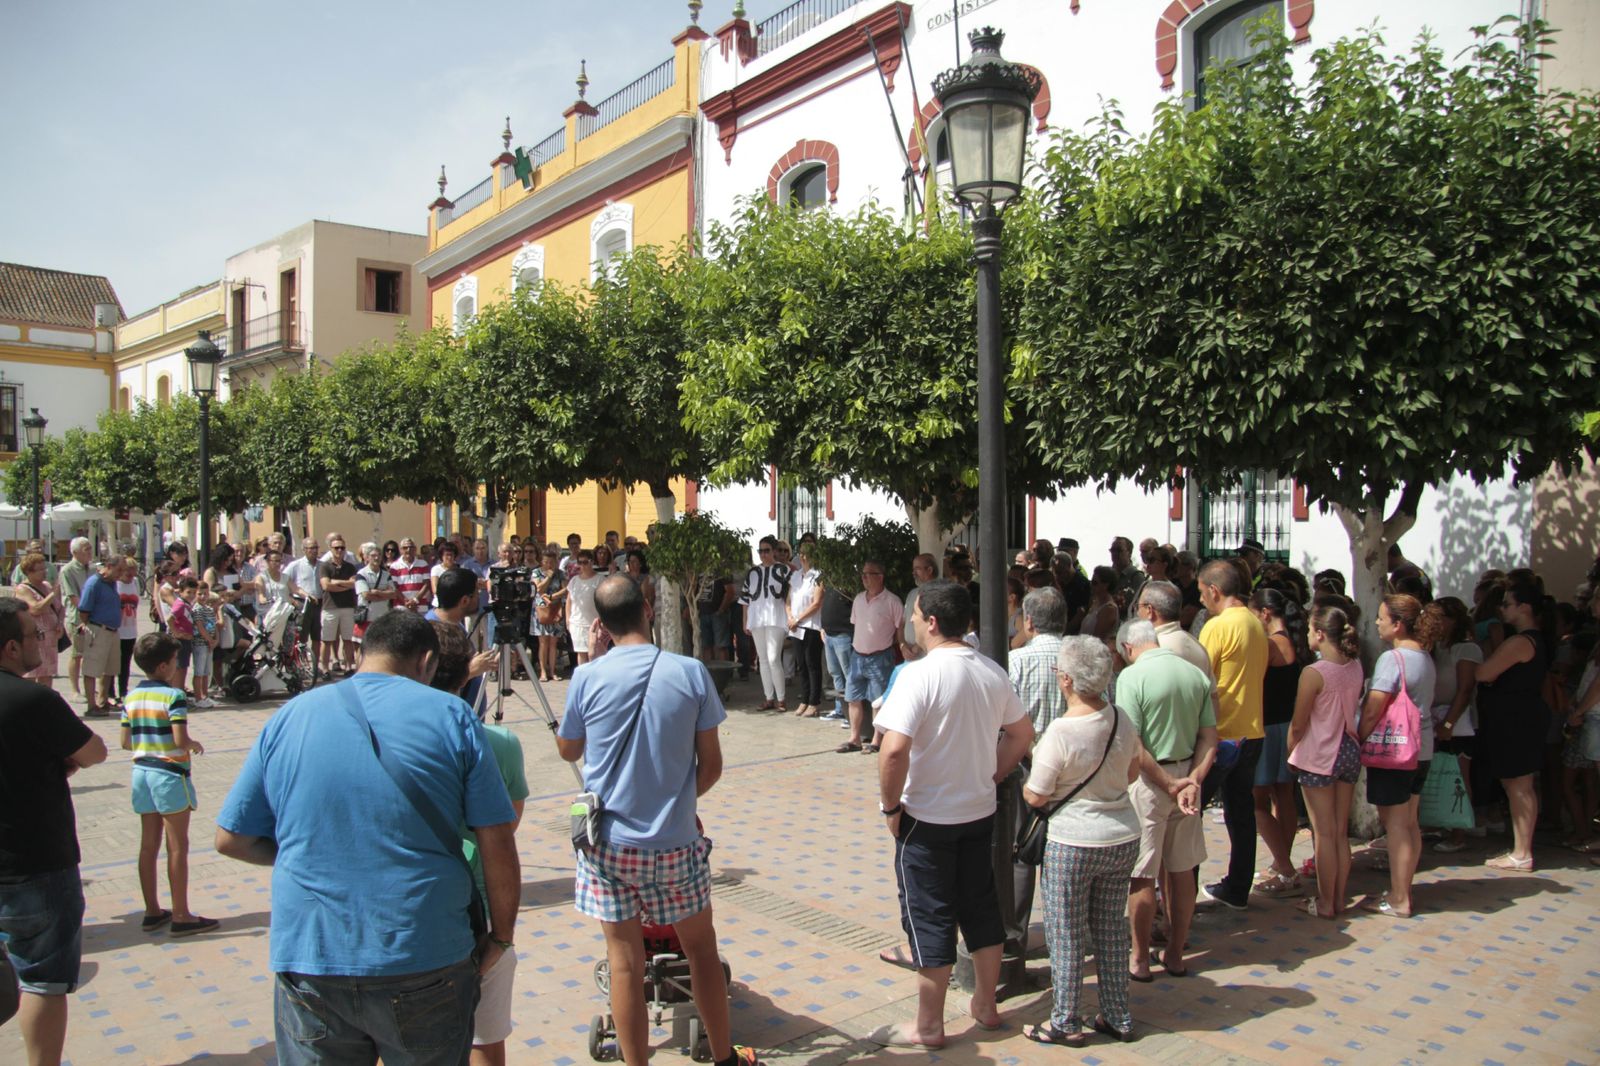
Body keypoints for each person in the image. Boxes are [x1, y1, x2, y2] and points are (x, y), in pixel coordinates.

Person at [215, 610, 520, 1066]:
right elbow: (497, 839)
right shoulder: (452, 715)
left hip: (311, 953)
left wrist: (314, 851)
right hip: (422, 947)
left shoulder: (291, 714)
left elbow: (231, 839)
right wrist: (501, 937)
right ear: (427, 661)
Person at [556, 577, 759, 1066]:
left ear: (601, 625)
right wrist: (679, 801)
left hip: (609, 845)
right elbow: (711, 765)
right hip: (675, 841)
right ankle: (725, 1059)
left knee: (624, 963)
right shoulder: (690, 672)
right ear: (648, 609)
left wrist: (592, 657)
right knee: (701, 951)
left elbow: (568, 749)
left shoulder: (587, 676)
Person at [871, 581, 1033, 1050]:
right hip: (977, 812)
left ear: (933, 621)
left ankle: (929, 1024)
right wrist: (992, 773)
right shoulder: (990, 670)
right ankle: (986, 1004)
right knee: (981, 907)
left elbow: (893, 750)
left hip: (926, 818)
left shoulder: (918, 675)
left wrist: (890, 806)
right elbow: (1022, 733)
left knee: (930, 915)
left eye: (915, 616)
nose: (912, 623)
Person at [0, 597, 108, 1066]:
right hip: (35, 863)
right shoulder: (34, 700)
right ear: (10, 647)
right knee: (42, 980)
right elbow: (94, 752)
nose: (43, 642)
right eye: (35, 635)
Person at [1021, 636, 1143, 1048]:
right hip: (1121, 835)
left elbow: (1036, 795)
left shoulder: (1062, 730)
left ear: (1067, 680)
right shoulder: (1121, 718)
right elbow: (1132, 772)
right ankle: (1118, 1016)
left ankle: (1065, 1020)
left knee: (1066, 932)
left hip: (1072, 841)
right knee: (1110, 929)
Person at [428, 621, 527, 1066]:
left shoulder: (377, 741)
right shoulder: (500, 744)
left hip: (412, 911)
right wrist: (501, 937)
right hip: (481, 911)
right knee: (485, 1037)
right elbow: (507, 829)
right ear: (466, 673)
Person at [1113, 619, 1214, 982]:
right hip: (1186, 778)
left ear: (1128, 648)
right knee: (1182, 870)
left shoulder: (1131, 678)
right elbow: (1209, 737)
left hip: (1150, 781)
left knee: (1142, 873)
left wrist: (1171, 783)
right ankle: (1175, 953)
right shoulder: (1194, 674)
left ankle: (1139, 958)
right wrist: (1192, 780)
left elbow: (1134, 744)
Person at [120, 631, 219, 938]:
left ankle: (152, 910)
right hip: (169, 774)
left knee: (148, 845)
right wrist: (192, 744)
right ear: (163, 666)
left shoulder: (131, 697)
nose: (178, 665)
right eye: (175, 660)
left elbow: (125, 741)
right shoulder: (173, 696)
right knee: (177, 846)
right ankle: (181, 914)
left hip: (141, 772)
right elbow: (179, 739)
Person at [1358, 594, 1443, 917]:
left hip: (1395, 750)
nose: (1377, 622)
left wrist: (1359, 737)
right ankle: (1402, 889)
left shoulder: (1393, 659)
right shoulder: (1425, 657)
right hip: (1422, 748)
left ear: (1397, 624)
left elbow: (1374, 707)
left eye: (1382, 617)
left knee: (1395, 825)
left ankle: (1399, 897)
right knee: (1409, 822)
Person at [1196, 559, 1269, 911]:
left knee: (1189, 814)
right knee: (1241, 814)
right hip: (1252, 731)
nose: (1200, 600)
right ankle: (1238, 887)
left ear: (1214, 590)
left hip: (1221, 734)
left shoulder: (1218, 626)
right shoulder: (1255, 622)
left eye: (1201, 592)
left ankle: (1181, 895)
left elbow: (1199, 680)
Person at [1287, 604, 1364, 919]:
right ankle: (1339, 899)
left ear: (1320, 634)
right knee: (1340, 831)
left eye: (1309, 629)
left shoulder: (1314, 673)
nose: (1307, 634)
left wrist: (1291, 751)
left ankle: (1326, 902)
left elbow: (1298, 723)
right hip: (1348, 749)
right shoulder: (1354, 666)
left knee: (1324, 833)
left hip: (1319, 753)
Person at [1475, 575, 1552, 872]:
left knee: (1519, 784)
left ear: (1524, 607)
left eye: (1507, 604)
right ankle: (1521, 849)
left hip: (1517, 718)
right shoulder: (1533, 639)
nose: (1502, 609)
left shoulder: (1521, 641)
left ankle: (1522, 852)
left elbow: (1484, 673)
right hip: (1519, 715)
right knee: (1518, 784)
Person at [1249, 587, 1311, 897]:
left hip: (1268, 727)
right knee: (1283, 794)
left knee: (1256, 802)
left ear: (1264, 613)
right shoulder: (1296, 642)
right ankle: (1281, 862)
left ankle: (1285, 868)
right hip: (1287, 726)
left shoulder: (1270, 644)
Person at [1430, 597, 1485, 853]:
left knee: (1458, 778)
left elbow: (1465, 690)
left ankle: (1459, 833)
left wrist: (1449, 722)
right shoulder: (1436, 648)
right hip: (1437, 717)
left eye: (1439, 618)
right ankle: (1444, 823)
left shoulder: (1467, 649)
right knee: (1440, 776)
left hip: (1459, 723)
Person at [840, 559, 903, 754]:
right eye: (863, 574)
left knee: (878, 700)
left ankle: (876, 741)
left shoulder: (892, 601)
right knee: (853, 698)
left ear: (880, 577)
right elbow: (856, 625)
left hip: (880, 657)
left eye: (868, 574)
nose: (864, 577)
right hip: (857, 656)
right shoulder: (859, 599)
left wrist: (899, 646)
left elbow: (900, 629)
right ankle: (854, 738)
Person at [741, 539, 791, 712]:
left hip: (776, 617)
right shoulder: (752, 572)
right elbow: (745, 599)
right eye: (760, 551)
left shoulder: (784, 570)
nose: (763, 554)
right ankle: (769, 698)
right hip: (757, 619)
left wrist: (791, 616)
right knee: (762, 659)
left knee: (773, 658)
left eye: (767, 550)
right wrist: (745, 620)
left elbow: (790, 595)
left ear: (774, 551)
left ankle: (781, 699)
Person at [77, 557, 125, 718]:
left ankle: (103, 701)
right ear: (109, 566)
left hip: (113, 631)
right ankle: (91, 705)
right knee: (91, 669)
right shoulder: (94, 583)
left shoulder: (111, 583)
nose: (121, 574)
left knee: (110, 669)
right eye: (119, 570)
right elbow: (84, 609)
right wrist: (89, 627)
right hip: (98, 629)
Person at [14, 553, 65, 692]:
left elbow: (60, 608)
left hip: (50, 638)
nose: (45, 572)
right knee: (31, 674)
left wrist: (60, 623)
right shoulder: (23, 589)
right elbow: (36, 609)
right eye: (40, 569)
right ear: (29, 572)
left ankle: (45, 702)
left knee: (47, 674)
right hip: (34, 637)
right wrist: (52, 594)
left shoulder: (47, 585)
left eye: (45, 568)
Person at [787, 543, 824, 716]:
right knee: (801, 664)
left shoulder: (818, 575)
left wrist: (798, 619)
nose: (803, 557)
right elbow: (788, 599)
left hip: (810, 626)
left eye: (806, 554)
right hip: (795, 626)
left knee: (812, 664)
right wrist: (790, 617)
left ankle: (814, 702)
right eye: (801, 554)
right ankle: (804, 699)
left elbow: (816, 603)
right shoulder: (795, 575)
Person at [317, 535, 360, 675]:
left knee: (348, 639)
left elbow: (354, 584)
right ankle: (325, 668)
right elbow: (326, 586)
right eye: (336, 548)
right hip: (330, 607)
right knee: (327, 640)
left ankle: (348, 666)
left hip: (348, 606)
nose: (339, 550)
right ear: (331, 549)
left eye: (342, 548)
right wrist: (344, 585)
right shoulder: (324, 566)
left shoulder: (350, 567)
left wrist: (336, 583)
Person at [57, 537, 92, 699]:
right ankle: (74, 690)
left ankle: (88, 688)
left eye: (90, 548)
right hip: (76, 618)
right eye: (86, 549)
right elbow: (72, 596)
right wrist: (85, 613)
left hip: (93, 618)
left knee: (89, 655)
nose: (90, 552)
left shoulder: (93, 569)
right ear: (75, 552)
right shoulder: (67, 570)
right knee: (77, 654)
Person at [531, 548, 568, 683]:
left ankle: (553, 671)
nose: (549, 565)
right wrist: (548, 576)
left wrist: (553, 596)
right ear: (542, 561)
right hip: (541, 610)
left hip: (556, 609)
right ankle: (543, 671)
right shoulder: (536, 572)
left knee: (553, 642)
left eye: (552, 562)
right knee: (543, 642)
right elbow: (539, 589)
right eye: (546, 562)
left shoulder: (561, 573)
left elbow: (566, 589)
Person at [566, 550, 605, 668]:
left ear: (591, 562)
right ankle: (583, 676)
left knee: (594, 654)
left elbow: (604, 601)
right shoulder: (574, 580)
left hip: (595, 623)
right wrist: (567, 619)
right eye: (580, 562)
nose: (582, 565)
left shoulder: (600, 579)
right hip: (577, 623)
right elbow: (569, 601)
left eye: (585, 562)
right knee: (581, 653)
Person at [354, 542, 397, 642]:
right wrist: (385, 594)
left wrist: (377, 592)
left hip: (382, 616)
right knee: (363, 646)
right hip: (367, 617)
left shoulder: (386, 574)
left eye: (379, 555)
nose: (376, 558)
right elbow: (366, 595)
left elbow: (394, 594)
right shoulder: (361, 574)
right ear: (367, 557)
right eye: (373, 555)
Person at [190, 582, 221, 709]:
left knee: (206, 672)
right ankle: (198, 698)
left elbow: (214, 625)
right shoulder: (196, 609)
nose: (203, 596)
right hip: (200, 644)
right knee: (199, 671)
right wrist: (209, 640)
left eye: (205, 594)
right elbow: (200, 627)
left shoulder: (209, 609)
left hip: (210, 644)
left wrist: (216, 639)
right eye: (200, 594)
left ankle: (205, 696)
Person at [389, 537, 434, 613]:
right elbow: (394, 587)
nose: (408, 550)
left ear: (415, 549)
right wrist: (406, 602)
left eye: (411, 547)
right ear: (400, 550)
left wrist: (415, 600)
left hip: (420, 607)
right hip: (400, 608)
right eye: (405, 548)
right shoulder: (394, 566)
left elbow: (426, 584)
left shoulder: (423, 564)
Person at [1082, 566, 1120, 646]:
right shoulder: (1095, 602)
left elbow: (1097, 639)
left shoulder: (1109, 609)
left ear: (1106, 585)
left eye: (1095, 583)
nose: (1091, 585)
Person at [1110, 537, 1145, 619]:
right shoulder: (1108, 575)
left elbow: (1135, 605)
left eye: (1119, 550)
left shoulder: (1136, 576)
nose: (1115, 553)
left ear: (1129, 553)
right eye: (1112, 550)